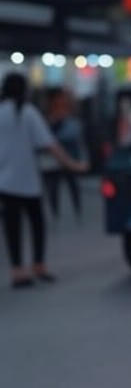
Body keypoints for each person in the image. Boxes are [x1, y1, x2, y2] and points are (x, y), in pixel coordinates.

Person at [0, 73, 85, 287]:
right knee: (37, 223)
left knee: (12, 228)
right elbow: (50, 144)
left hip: (4, 181)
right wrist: (73, 164)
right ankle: (38, 265)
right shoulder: (28, 112)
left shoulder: (2, 113)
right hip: (27, 180)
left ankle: (18, 271)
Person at [41, 88, 85, 220]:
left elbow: (76, 132)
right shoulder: (48, 115)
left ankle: (78, 211)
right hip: (55, 157)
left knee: (73, 185)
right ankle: (55, 213)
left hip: (70, 154)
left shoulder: (70, 112)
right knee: (53, 187)